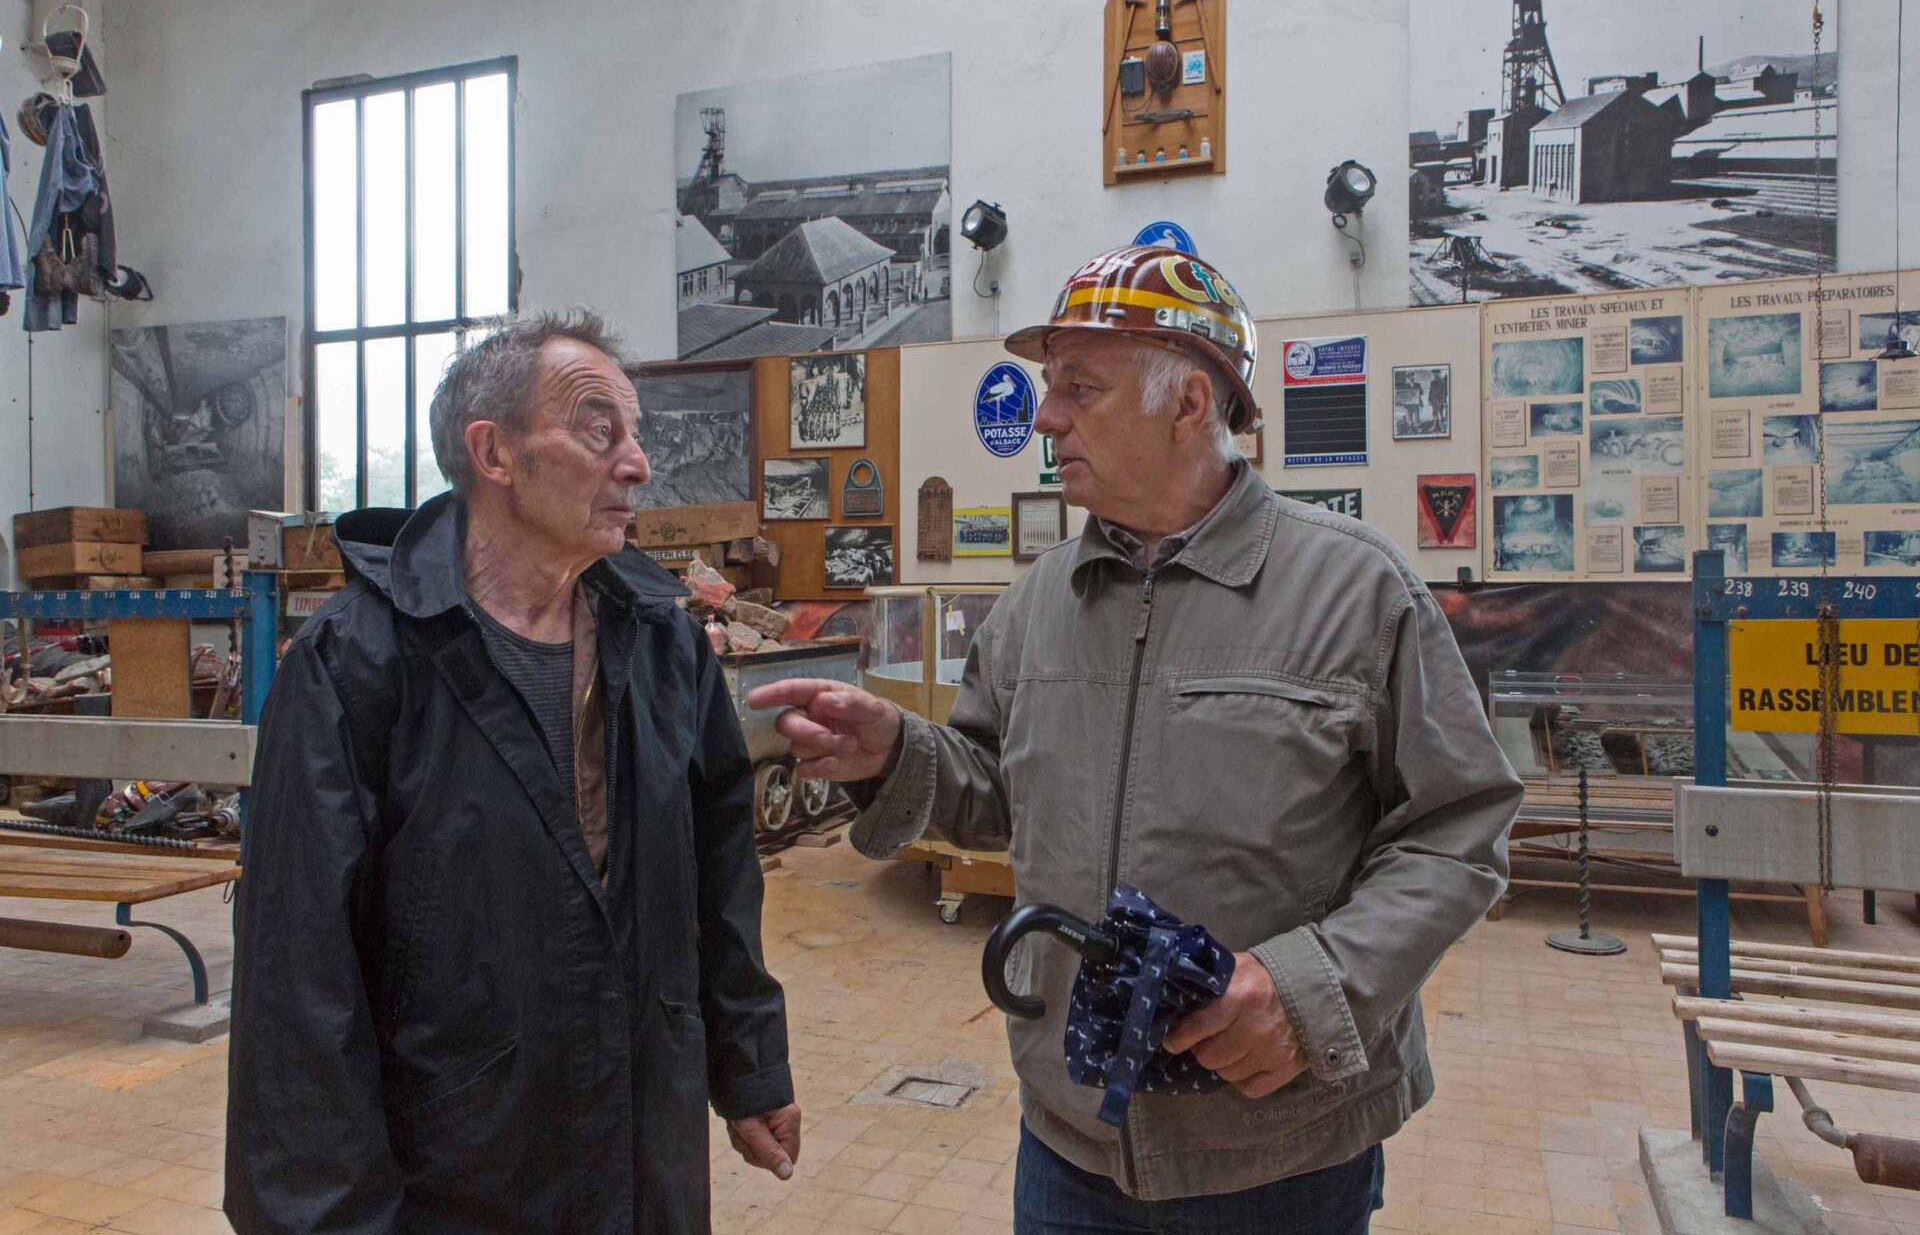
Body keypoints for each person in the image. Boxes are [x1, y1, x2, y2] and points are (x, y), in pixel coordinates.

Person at [750, 246, 1522, 1234]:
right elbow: (994, 789)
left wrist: (1315, 984)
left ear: (1188, 402)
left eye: (1080, 386)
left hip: (1278, 1153)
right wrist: (898, 751)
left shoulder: (1355, 591)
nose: (1043, 417)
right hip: (1071, 1144)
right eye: (1047, 385)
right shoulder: (1040, 601)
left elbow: (1460, 823)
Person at [226, 310, 798, 1234]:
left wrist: (749, 1065)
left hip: (642, 1159)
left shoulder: (662, 645)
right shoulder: (358, 662)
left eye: (637, 434)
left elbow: (720, 878)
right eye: (598, 430)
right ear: (493, 453)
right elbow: (298, 981)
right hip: (457, 1172)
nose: (638, 464)